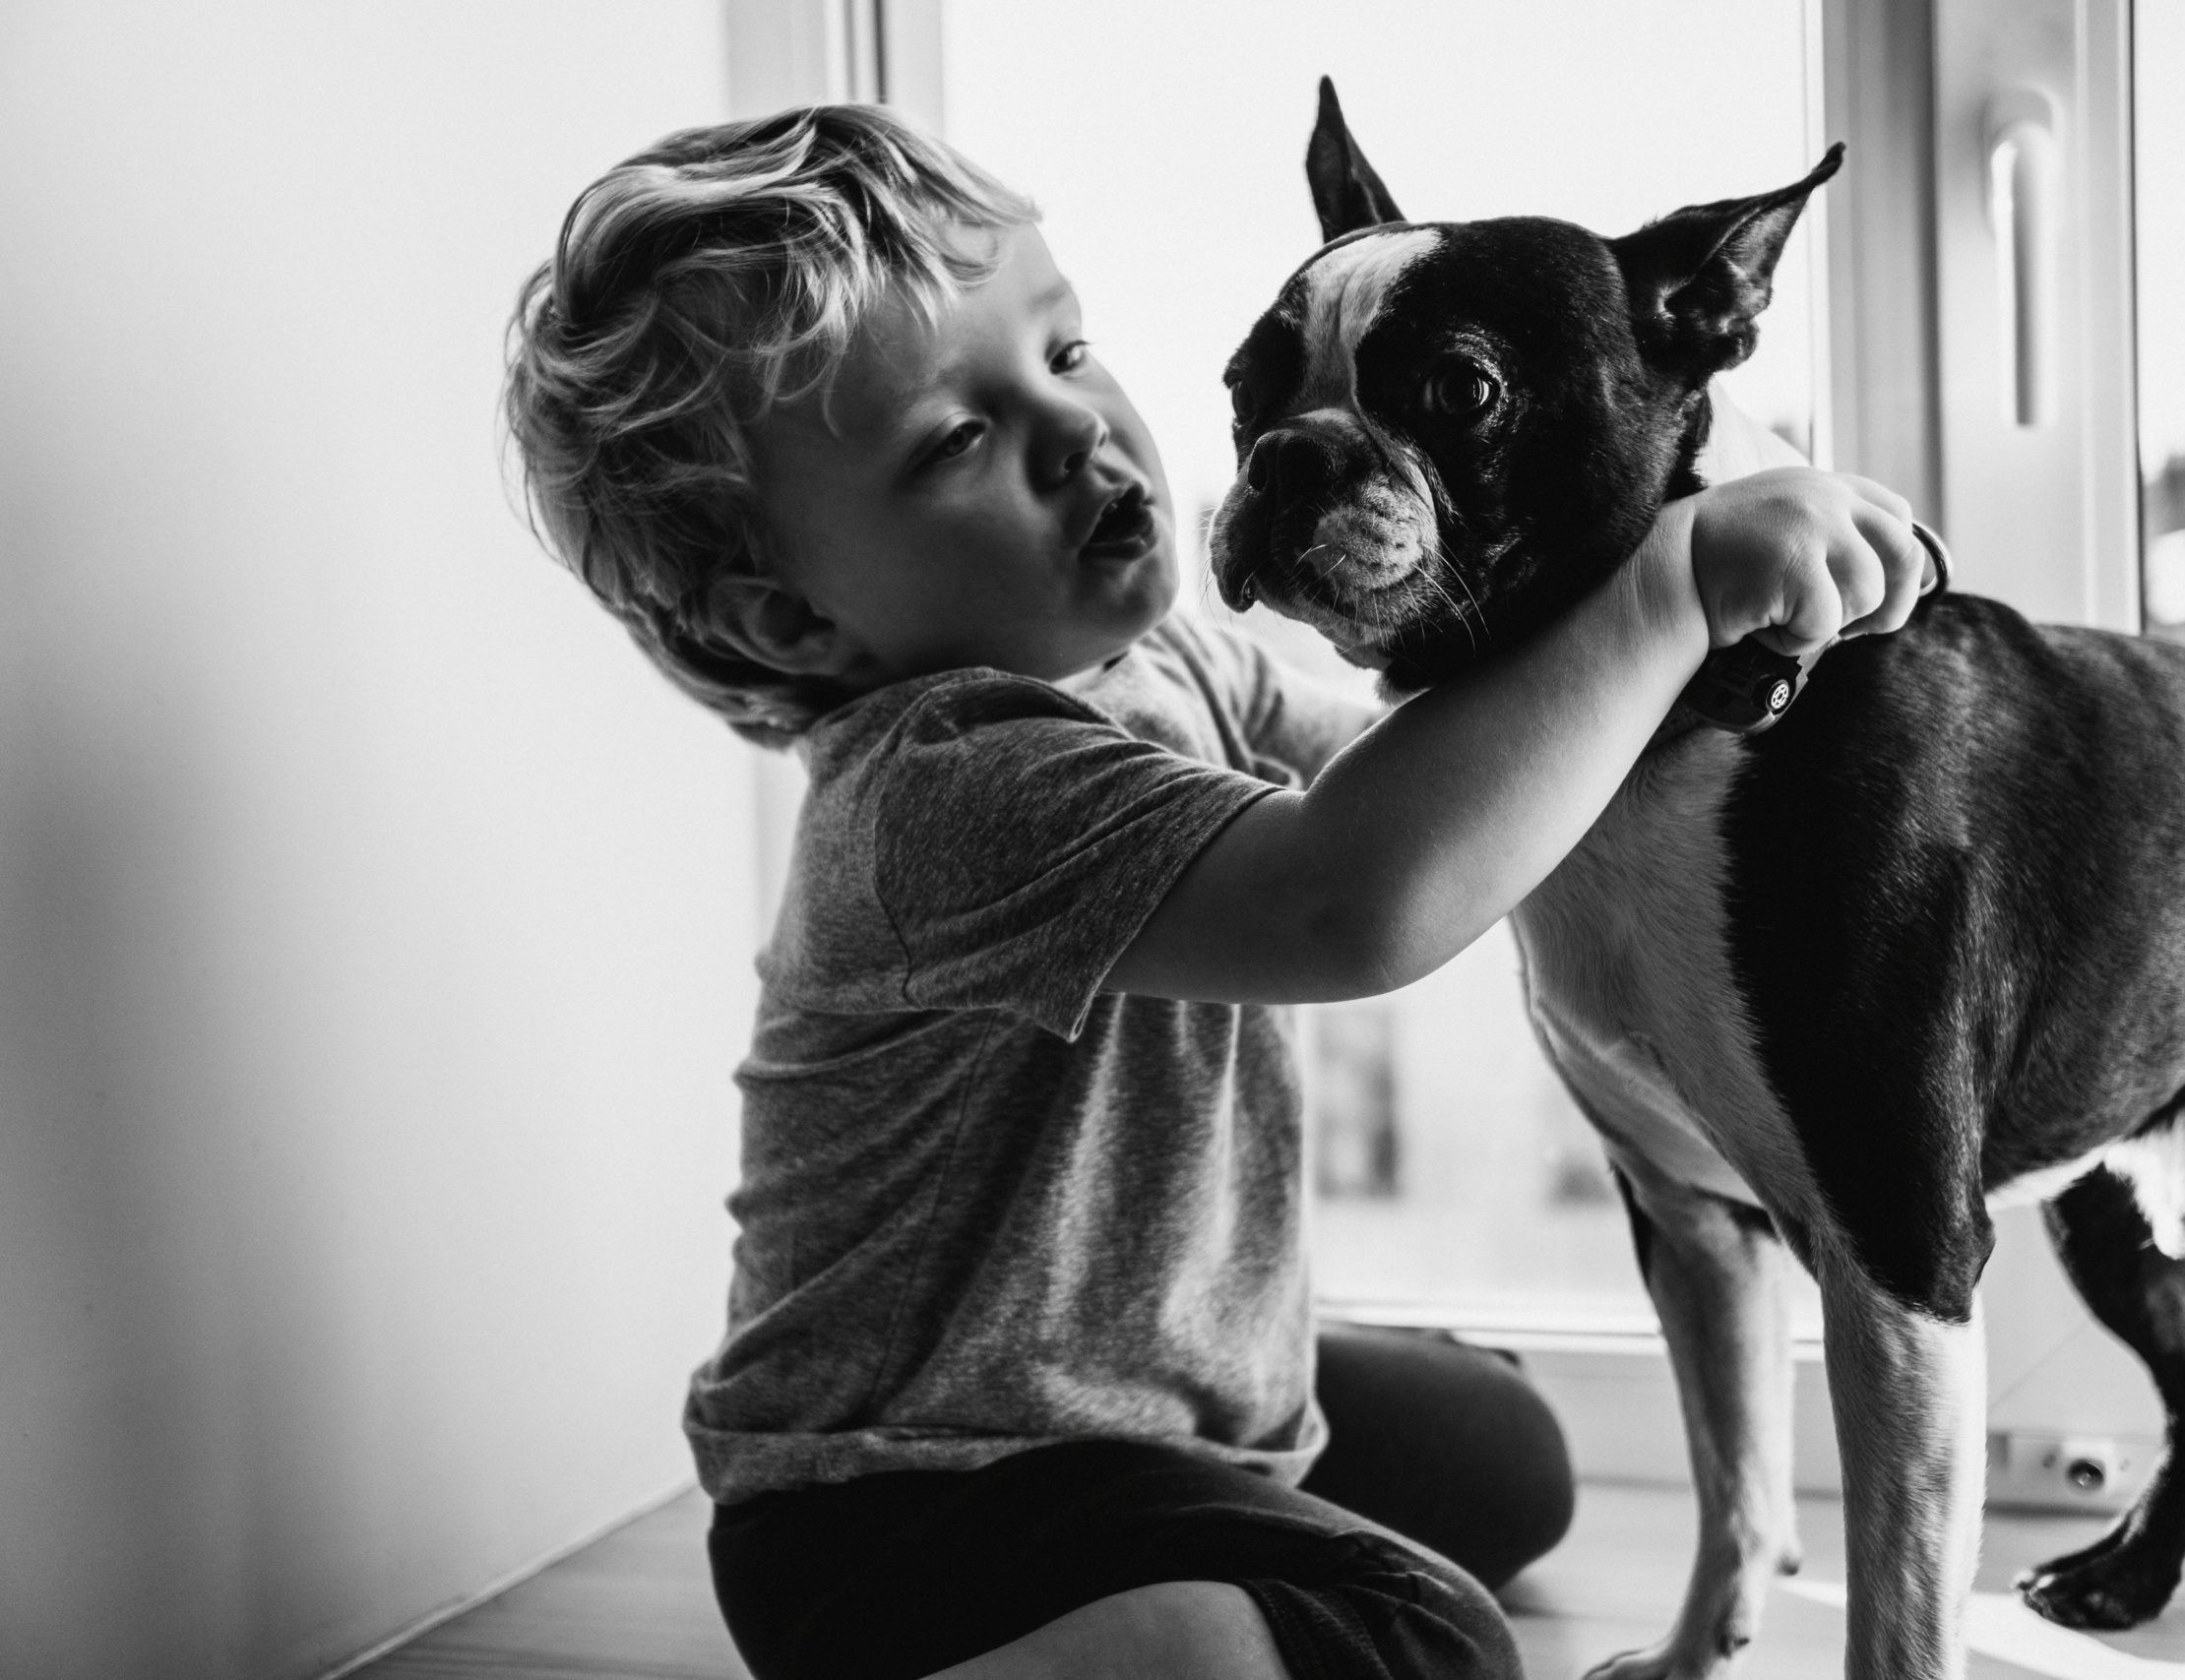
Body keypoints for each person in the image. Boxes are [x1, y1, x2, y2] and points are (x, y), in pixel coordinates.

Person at [503, 103, 1923, 1680]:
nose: (1074, 432)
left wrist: (1674, 584)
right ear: (792, 618)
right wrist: (1672, 582)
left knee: (1502, 1457)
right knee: (1423, 1640)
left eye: (1063, 349)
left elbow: (1466, 774)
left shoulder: (1163, 667)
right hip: (902, 1505)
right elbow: (1360, 893)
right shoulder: (944, 785)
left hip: (1132, 1392)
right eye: (958, 439)